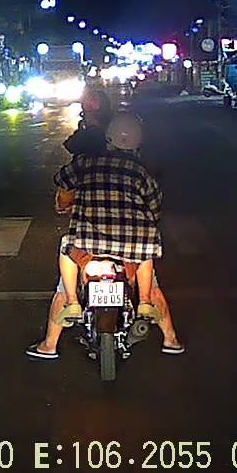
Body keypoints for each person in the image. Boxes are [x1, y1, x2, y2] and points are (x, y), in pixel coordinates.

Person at [27, 113, 183, 359]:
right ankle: (165, 332)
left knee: (67, 248)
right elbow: (155, 208)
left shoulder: (86, 162)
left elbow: (62, 182)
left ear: (108, 139)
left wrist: (66, 201)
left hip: (88, 246)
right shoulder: (141, 171)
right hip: (132, 249)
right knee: (148, 266)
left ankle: (58, 328)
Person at [62, 88, 112, 157]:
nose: (90, 103)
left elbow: (71, 146)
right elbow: (70, 145)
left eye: (94, 100)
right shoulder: (85, 127)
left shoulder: (97, 131)